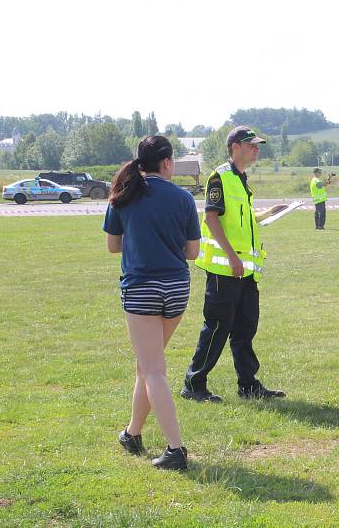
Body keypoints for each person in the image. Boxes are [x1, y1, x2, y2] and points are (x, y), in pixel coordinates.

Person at [103, 136, 200, 470]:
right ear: (168, 162)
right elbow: (193, 252)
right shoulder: (183, 197)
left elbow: (113, 246)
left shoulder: (123, 194)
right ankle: (132, 433)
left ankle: (176, 449)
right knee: (146, 366)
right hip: (176, 290)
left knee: (153, 370)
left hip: (141, 289)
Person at [181, 126, 287, 403]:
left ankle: (248, 385)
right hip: (225, 270)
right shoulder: (220, 178)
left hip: (246, 272)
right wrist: (232, 257)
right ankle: (194, 384)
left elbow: (245, 221)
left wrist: (269, 213)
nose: (257, 149)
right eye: (252, 145)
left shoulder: (241, 180)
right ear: (235, 146)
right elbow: (211, 219)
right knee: (217, 327)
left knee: (245, 329)